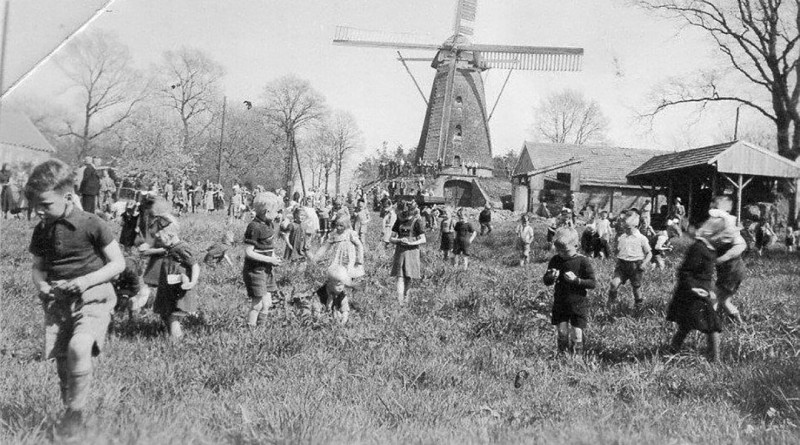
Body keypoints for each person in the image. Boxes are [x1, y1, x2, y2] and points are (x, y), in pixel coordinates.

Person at [24, 159, 126, 433]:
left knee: (79, 347)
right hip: (59, 302)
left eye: (45, 205)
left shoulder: (92, 224)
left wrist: (84, 281)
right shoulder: (43, 229)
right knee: (64, 366)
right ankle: (71, 413)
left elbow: (118, 263)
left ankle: (76, 414)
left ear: (68, 197)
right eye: (36, 205)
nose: (39, 211)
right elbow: (38, 268)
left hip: (93, 296)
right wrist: (42, 286)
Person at [666, 214, 728, 362]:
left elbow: (706, 274)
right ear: (713, 233)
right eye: (722, 234)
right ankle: (715, 360)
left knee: (686, 325)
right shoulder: (699, 248)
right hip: (692, 293)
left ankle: (671, 351)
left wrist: (710, 290)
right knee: (713, 325)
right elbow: (684, 271)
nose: (724, 239)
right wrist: (693, 288)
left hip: (701, 291)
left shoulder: (709, 248)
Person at [543, 227, 596, 354]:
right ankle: (562, 354)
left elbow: (592, 283)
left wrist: (577, 280)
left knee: (577, 333)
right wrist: (551, 277)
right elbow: (546, 281)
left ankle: (577, 357)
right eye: (559, 251)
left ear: (576, 245)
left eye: (565, 251)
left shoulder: (583, 261)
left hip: (578, 303)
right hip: (560, 302)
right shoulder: (556, 260)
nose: (561, 254)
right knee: (562, 331)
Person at [151, 215, 200, 340]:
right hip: (169, 286)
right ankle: (169, 333)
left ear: (170, 235)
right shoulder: (170, 248)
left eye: (160, 238)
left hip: (178, 289)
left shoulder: (181, 248)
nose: (158, 241)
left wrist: (192, 282)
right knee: (166, 313)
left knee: (172, 316)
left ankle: (176, 341)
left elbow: (195, 265)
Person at [243, 192, 283, 327]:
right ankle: (250, 330)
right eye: (277, 211)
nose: (278, 214)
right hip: (255, 270)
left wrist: (273, 258)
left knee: (268, 303)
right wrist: (269, 260)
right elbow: (249, 252)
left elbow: (268, 248)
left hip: (267, 269)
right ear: (267, 212)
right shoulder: (254, 227)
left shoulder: (270, 225)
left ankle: (261, 330)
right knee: (257, 304)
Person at [710, 196, 747, 324]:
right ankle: (739, 323)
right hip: (731, 270)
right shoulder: (718, 232)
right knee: (724, 300)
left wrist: (723, 257)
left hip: (732, 269)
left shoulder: (730, 230)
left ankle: (710, 322)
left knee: (713, 295)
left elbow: (741, 245)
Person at [608, 212, 652, 310]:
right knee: (613, 284)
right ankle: (611, 304)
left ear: (636, 226)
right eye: (625, 228)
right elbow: (618, 250)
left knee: (636, 287)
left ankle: (638, 306)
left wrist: (644, 263)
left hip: (636, 265)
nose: (626, 230)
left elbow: (649, 253)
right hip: (622, 264)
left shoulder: (641, 238)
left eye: (629, 228)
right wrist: (616, 252)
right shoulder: (622, 237)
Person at [390, 200, 426, 304]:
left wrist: (411, 243)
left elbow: (423, 239)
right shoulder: (399, 220)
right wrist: (399, 240)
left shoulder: (417, 221)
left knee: (408, 276)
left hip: (412, 251)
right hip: (400, 251)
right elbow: (391, 238)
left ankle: (406, 297)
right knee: (399, 276)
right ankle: (400, 300)